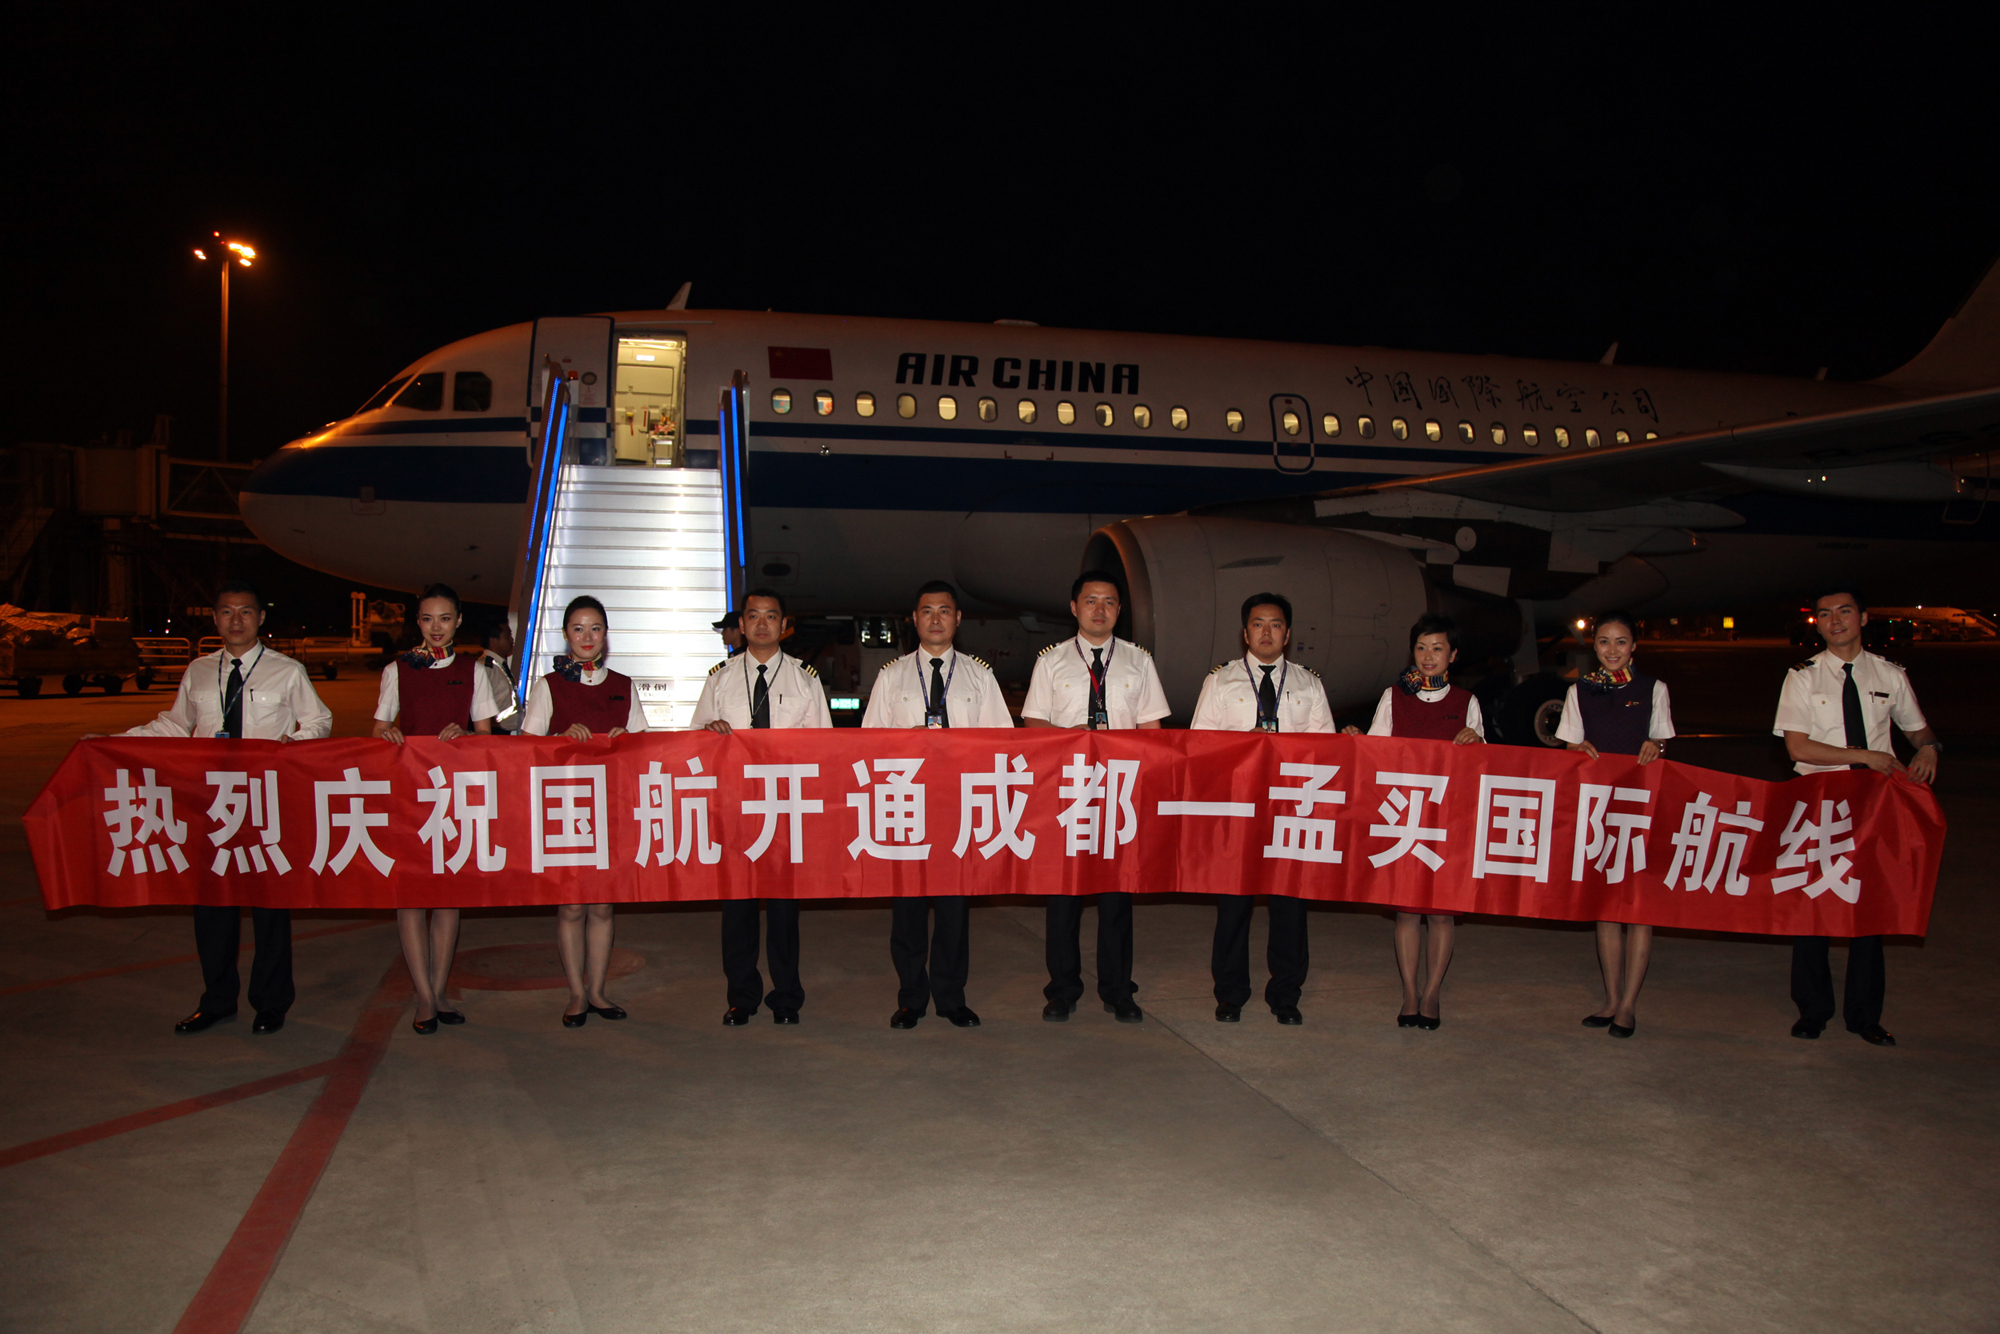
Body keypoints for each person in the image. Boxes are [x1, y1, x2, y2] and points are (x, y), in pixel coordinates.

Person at [101, 581, 332, 1035]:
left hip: (264, 802)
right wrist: (112, 742)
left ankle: (270, 1003)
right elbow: (174, 724)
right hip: (211, 803)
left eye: (245, 612)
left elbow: (319, 719)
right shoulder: (200, 671)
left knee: (269, 905)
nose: (236, 620)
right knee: (211, 905)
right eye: (227, 612)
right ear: (215, 619)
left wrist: (292, 743)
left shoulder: (286, 671)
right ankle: (217, 1000)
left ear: (260, 618)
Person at [1774, 587, 1940, 1046]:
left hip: (1874, 805)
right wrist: (1866, 756)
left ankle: (1865, 1016)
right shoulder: (1803, 677)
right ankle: (1812, 1011)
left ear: (1863, 618)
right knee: (1814, 906)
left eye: (1844, 612)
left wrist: (1929, 747)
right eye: (1824, 614)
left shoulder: (1889, 674)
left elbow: (1917, 729)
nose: (1835, 621)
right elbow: (1798, 747)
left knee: (1870, 907)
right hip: (1820, 803)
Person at [862, 580, 1013, 1030]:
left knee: (953, 909)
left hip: (958, 809)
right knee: (908, 909)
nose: (935, 619)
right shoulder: (892, 676)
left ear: (958, 619)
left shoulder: (979, 676)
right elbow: (869, 744)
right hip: (906, 806)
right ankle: (911, 998)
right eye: (926, 611)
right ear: (914, 619)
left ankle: (951, 997)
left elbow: (1002, 743)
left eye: (944, 611)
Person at [1022, 570, 1171, 1023]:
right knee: (1062, 896)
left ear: (1119, 610)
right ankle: (1062, 990)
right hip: (1066, 794)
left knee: (1116, 897)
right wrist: (1066, 736)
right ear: (1074, 608)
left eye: (1108, 602)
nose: (1099, 609)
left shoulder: (1139, 662)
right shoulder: (1051, 662)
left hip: (1119, 794)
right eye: (1090, 601)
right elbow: (1032, 723)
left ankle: (1118, 990)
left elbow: (1152, 729)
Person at [1189, 593, 1334, 1025]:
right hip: (1238, 807)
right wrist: (1242, 745)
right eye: (1258, 624)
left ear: (1287, 635)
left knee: (1289, 903)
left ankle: (1286, 994)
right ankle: (1230, 993)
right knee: (1234, 903)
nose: (1266, 632)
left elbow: (1326, 750)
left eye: (1275, 625)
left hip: (1292, 809)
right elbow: (1199, 747)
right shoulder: (1221, 682)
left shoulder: (1309, 684)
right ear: (1245, 632)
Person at [691, 587, 832, 1025]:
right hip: (735, 809)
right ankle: (742, 996)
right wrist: (710, 733)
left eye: (771, 616)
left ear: (784, 625)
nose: (762, 624)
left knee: (784, 911)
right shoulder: (720, 679)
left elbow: (824, 748)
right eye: (753, 616)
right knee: (738, 908)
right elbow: (694, 742)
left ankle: (786, 997)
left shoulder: (804, 679)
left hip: (787, 809)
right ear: (742, 624)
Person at [372, 583, 500, 1035]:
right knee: (411, 898)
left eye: (445, 618)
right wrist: (387, 735)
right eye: (427, 619)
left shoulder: (473, 671)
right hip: (409, 795)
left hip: (453, 796)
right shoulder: (397, 670)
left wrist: (466, 736)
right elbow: (379, 729)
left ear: (459, 621)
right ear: (418, 623)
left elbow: (486, 736)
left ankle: (439, 990)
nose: (436, 628)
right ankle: (424, 996)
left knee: (447, 897)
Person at [1346, 613, 1483, 1030]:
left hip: (1446, 822)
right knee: (1406, 912)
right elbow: (1375, 751)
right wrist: (1355, 740)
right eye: (1421, 648)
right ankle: (1409, 992)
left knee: (1441, 913)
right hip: (1404, 820)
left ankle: (1432, 992)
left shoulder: (1466, 702)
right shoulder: (1394, 697)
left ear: (1452, 655)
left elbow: (1484, 766)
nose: (1428, 656)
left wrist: (1476, 742)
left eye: (1437, 648)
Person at [520, 595, 648, 1028]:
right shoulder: (549, 686)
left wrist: (627, 739)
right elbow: (524, 749)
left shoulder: (623, 685)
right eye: (578, 628)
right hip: (566, 808)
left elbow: (646, 747)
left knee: (603, 906)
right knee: (572, 906)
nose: (587, 636)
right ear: (565, 635)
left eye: (595, 628)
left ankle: (598, 991)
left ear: (606, 634)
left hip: (611, 807)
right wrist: (558, 738)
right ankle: (576, 992)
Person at [1554, 610, 1675, 1039]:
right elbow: (1568, 746)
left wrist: (1656, 746)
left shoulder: (1653, 689)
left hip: (1641, 807)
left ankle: (1628, 1005)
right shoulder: (1579, 690)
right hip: (1598, 807)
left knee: (1639, 909)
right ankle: (1610, 997)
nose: (1612, 650)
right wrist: (1576, 750)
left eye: (1621, 641)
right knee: (1605, 906)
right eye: (1604, 641)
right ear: (1594, 647)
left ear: (1634, 647)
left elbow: (1662, 739)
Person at [475, 620, 523, 733]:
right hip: (497, 732)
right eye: (507, 636)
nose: (511, 640)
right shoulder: (485, 668)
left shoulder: (499, 666)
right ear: (493, 640)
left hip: (510, 731)